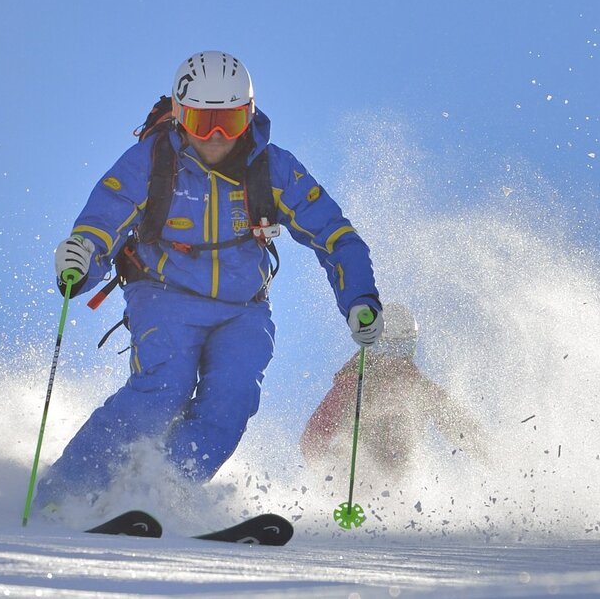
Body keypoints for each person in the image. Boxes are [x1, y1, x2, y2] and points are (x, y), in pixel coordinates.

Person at [38, 50, 382, 509]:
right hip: (164, 295)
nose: (217, 137)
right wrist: (82, 256)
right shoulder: (153, 162)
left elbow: (335, 235)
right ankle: (63, 495)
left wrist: (359, 297)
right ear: (181, 117)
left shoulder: (272, 168)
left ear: (250, 115)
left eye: (231, 121)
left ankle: (157, 495)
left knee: (231, 402)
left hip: (243, 311)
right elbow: (105, 217)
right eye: (203, 122)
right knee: (164, 390)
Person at [300, 303, 488, 478]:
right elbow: (313, 437)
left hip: (399, 482)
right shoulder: (352, 386)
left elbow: (457, 422)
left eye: (403, 348)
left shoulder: (417, 387)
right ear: (373, 347)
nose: (394, 358)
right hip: (353, 476)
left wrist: (490, 455)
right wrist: (327, 470)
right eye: (387, 347)